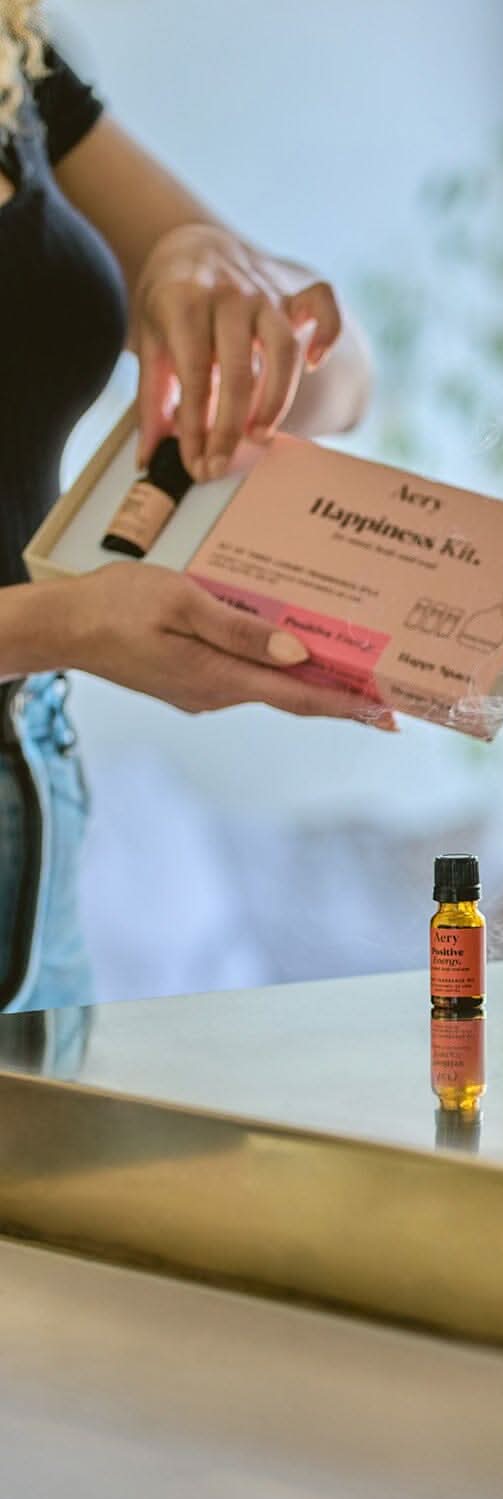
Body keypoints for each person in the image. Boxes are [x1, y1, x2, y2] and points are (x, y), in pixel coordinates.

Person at [0, 9, 378, 1013]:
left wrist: (218, 269)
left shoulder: (16, 69)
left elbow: (338, 378)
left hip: (32, 795)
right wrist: (63, 623)